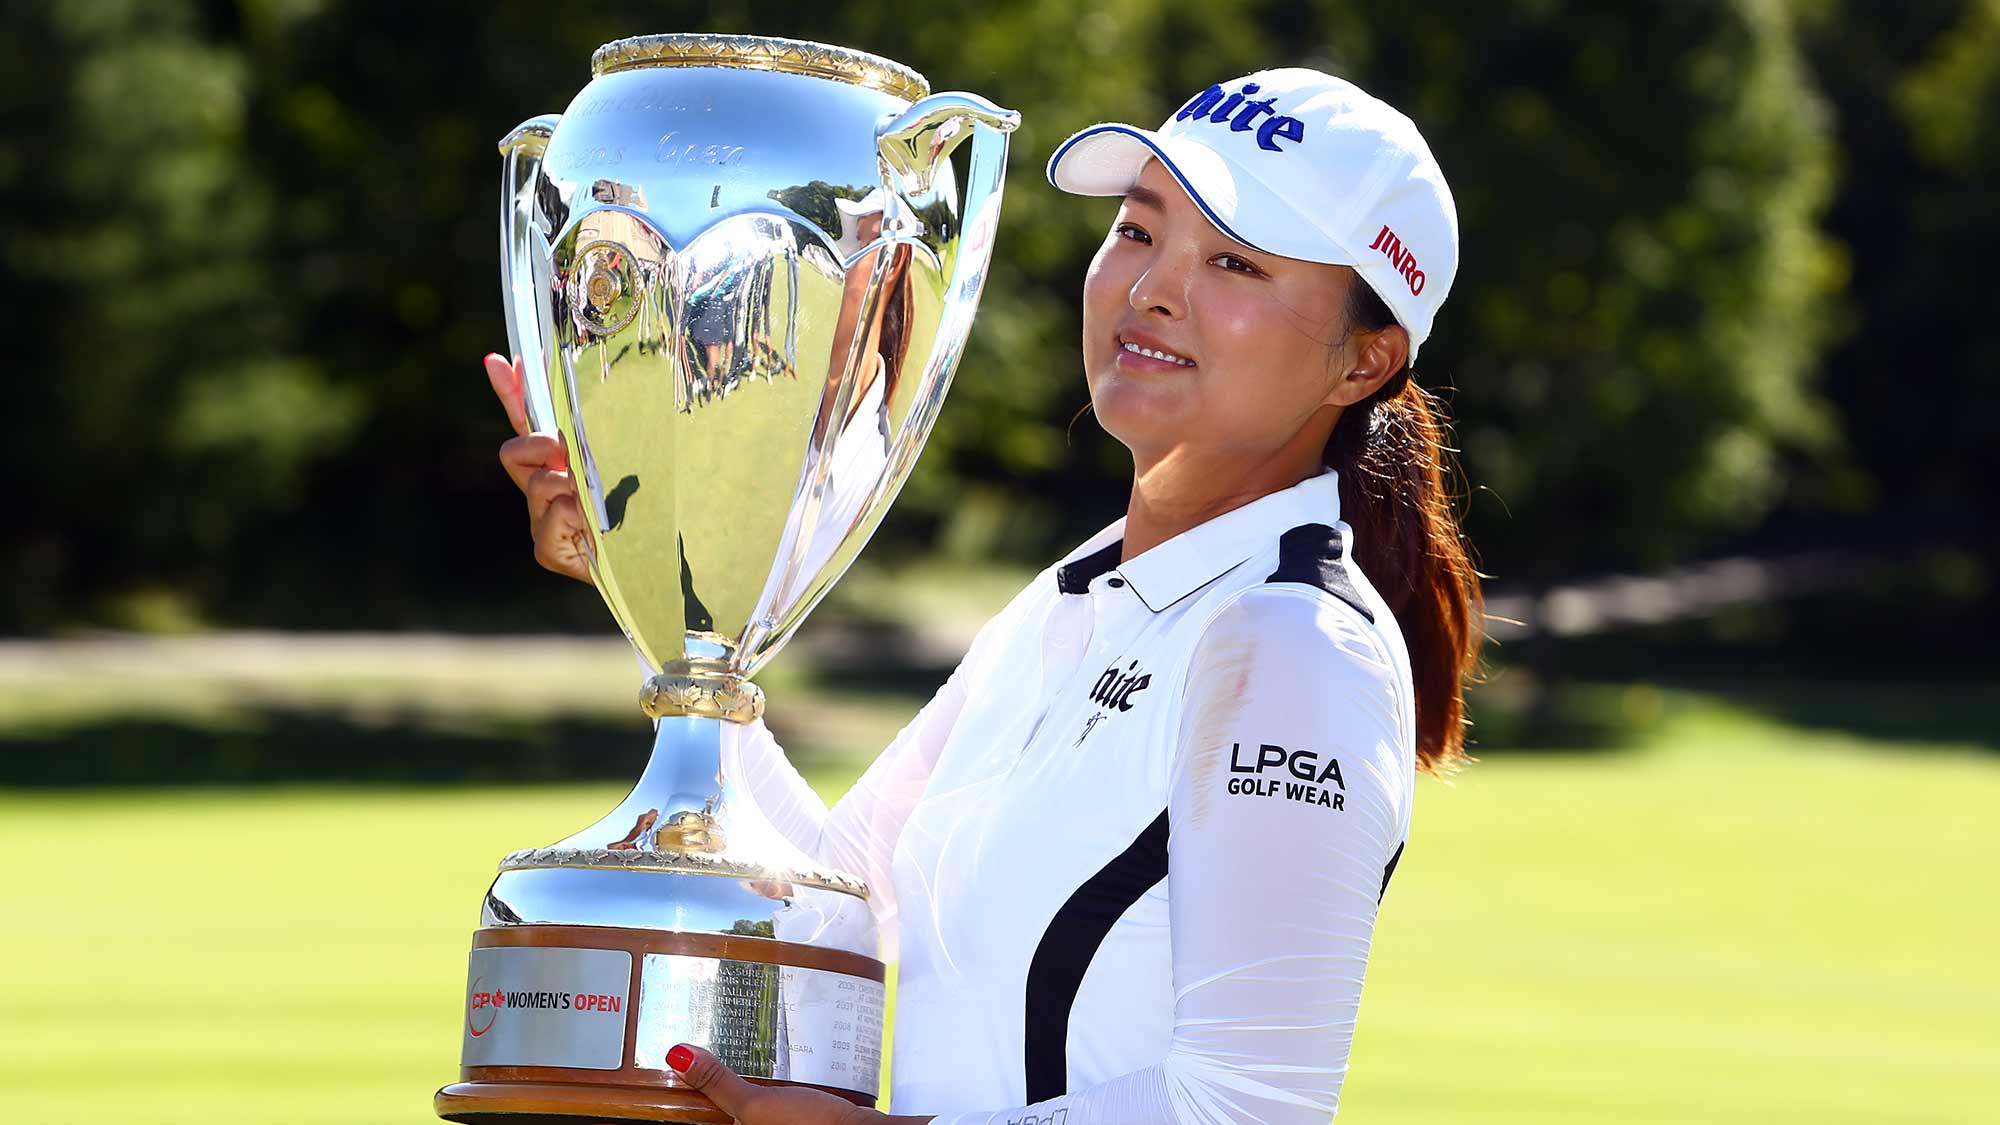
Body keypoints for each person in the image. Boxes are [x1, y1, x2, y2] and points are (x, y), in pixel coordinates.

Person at [485, 66, 1482, 1125]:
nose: (1150, 288)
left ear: (1361, 361)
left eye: (1232, 261)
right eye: (1139, 231)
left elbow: (1251, 1106)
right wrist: (658, 594)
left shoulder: (1291, 641)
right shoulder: (1077, 593)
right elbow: (839, 904)